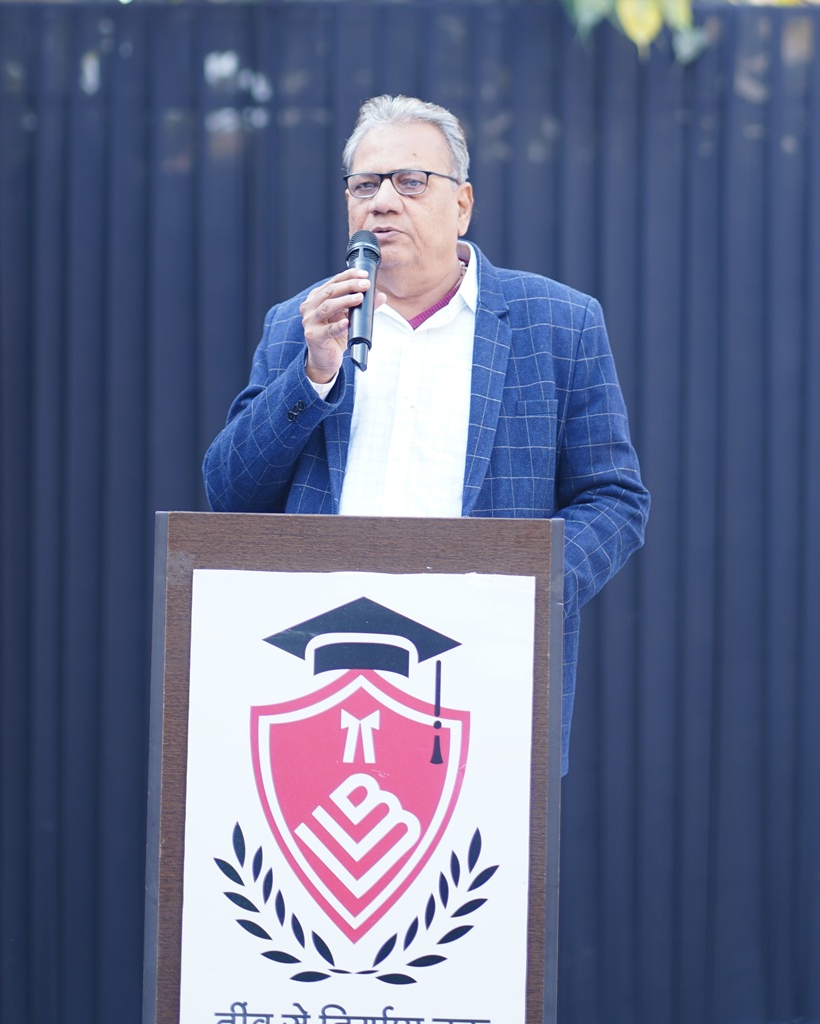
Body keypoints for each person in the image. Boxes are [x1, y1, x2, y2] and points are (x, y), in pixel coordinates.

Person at [203, 94, 650, 774]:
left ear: (461, 204)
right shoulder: (301, 323)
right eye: (365, 185)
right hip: (318, 679)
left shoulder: (559, 324)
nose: (383, 202)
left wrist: (520, 591)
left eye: (410, 181)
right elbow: (230, 494)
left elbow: (614, 500)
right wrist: (312, 374)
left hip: (485, 671)